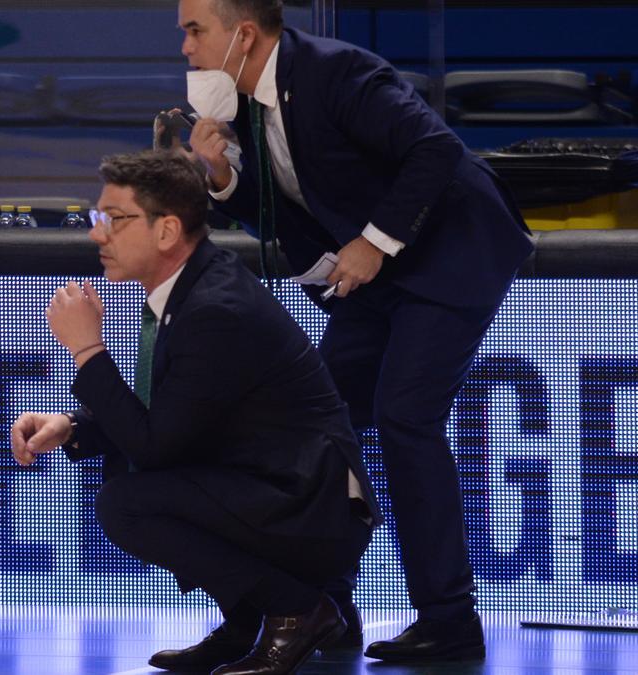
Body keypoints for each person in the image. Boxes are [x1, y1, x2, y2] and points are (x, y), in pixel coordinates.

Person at [176, 0, 535, 662]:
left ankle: (449, 617)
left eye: (195, 30)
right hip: (381, 271)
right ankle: (326, 608)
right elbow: (288, 212)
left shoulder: (337, 71)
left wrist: (373, 241)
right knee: (321, 419)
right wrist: (224, 177)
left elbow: (433, 149)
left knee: (405, 415)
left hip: (453, 250)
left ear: (244, 34)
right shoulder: (246, 108)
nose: (186, 48)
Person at [10, 150, 379, 675]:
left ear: (166, 232)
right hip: (279, 486)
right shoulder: (192, 288)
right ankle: (245, 622)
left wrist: (88, 352)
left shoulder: (213, 309)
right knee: (142, 482)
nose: (98, 235)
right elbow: (176, 414)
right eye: (99, 220)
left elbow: (155, 444)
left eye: (114, 220)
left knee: (128, 502)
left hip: (313, 511)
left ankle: (297, 611)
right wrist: (71, 426)